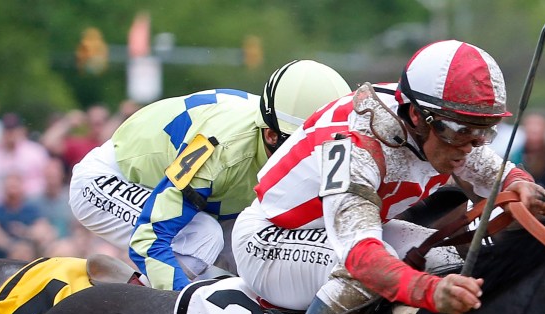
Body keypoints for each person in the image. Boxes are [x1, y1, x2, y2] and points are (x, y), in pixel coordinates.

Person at [234, 40, 545, 314]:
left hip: (343, 232)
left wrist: (519, 183)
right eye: (460, 131)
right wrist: (431, 292)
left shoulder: (438, 124)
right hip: (272, 241)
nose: (469, 148)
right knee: (375, 273)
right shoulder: (355, 145)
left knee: (456, 257)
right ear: (416, 115)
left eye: (483, 132)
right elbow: (361, 257)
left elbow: (485, 165)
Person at [69, 59, 351, 291]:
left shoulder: (290, 131)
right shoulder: (220, 150)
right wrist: (184, 308)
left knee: (258, 251)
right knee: (203, 236)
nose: (316, 162)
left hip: (203, 200)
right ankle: (137, 299)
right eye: (307, 149)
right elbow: (150, 238)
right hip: (109, 180)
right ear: (271, 134)